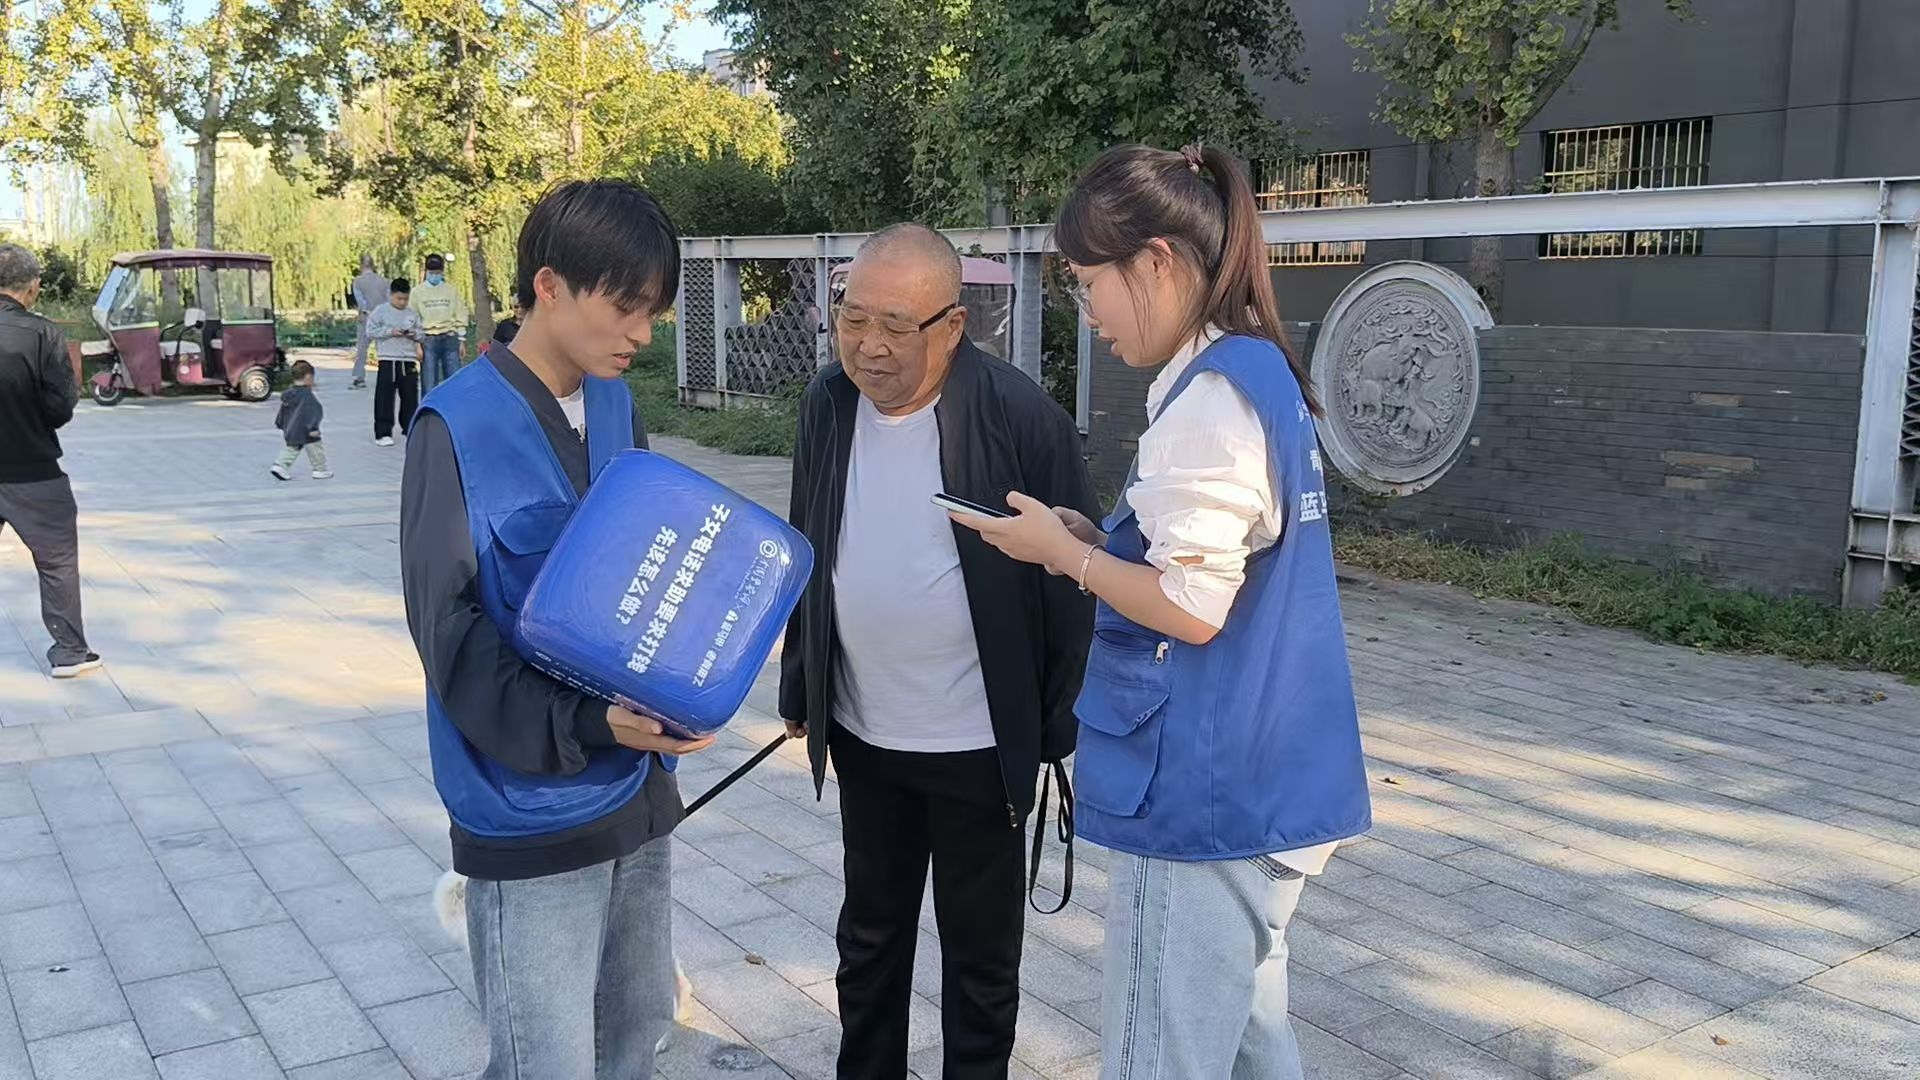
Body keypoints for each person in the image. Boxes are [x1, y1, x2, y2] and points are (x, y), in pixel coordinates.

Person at [951, 144, 1372, 1080]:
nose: (1087, 309)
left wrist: (1066, 556)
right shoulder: (1254, 371)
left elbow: (1193, 607)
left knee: (1163, 1055)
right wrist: (1090, 541)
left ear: (1156, 262)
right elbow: (1206, 561)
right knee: (1251, 1039)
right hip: (1268, 781)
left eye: (1087, 281)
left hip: (1204, 797)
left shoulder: (1209, 397)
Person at [400, 179, 710, 1080]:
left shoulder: (615, 405)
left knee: (637, 1037)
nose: (641, 333)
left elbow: (651, 573)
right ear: (548, 286)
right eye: (625, 308)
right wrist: (585, 722)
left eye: (653, 312)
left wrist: (682, 690)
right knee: (547, 1061)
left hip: (637, 792)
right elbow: (450, 636)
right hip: (527, 809)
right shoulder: (454, 427)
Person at [780, 223, 1099, 1080]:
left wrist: (1051, 727)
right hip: (866, 732)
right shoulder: (828, 404)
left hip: (977, 746)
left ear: (952, 326)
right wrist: (802, 686)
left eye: (896, 325)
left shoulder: (1021, 418)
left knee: (981, 961)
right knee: (868, 942)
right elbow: (806, 543)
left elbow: (1076, 583)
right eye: (853, 320)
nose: (869, 347)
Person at [0, 243, 101, 679]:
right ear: (34, 287)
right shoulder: (43, 333)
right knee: (56, 562)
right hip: (32, 469)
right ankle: (69, 652)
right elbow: (60, 407)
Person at [368, 278, 423, 446]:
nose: (402, 302)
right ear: (391, 295)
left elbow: (422, 334)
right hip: (388, 359)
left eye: (405, 299)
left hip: (408, 359)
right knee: (384, 397)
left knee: (410, 396)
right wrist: (390, 331)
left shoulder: (412, 314)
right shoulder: (380, 311)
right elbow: (370, 331)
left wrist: (414, 334)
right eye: (399, 298)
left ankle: (410, 428)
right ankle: (383, 433)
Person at [415, 253, 469, 392]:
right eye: (432, 272)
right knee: (429, 382)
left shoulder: (451, 291)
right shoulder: (417, 292)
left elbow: (460, 314)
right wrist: (417, 344)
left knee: (454, 381)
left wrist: (462, 340)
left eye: (437, 272)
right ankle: (429, 406)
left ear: (442, 271)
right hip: (428, 338)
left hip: (449, 337)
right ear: (426, 271)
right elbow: (413, 319)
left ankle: (454, 406)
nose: (435, 275)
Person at [270, 360, 331, 481]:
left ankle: (280, 465)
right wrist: (314, 427)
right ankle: (320, 470)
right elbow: (313, 412)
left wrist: (280, 423)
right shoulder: (307, 396)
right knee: (315, 447)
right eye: (312, 378)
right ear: (308, 377)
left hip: (291, 428)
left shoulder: (289, 393)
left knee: (293, 447)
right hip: (306, 429)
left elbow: (283, 411)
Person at [350, 254, 389, 390]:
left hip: (366, 317)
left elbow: (361, 301)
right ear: (373, 265)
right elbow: (389, 300)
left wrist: (365, 312)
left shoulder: (358, 281)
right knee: (383, 349)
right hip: (382, 318)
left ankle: (359, 378)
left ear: (361, 266)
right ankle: (387, 376)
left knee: (362, 348)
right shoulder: (384, 281)